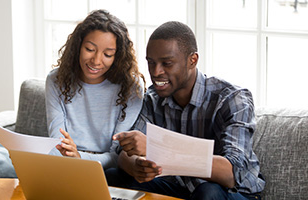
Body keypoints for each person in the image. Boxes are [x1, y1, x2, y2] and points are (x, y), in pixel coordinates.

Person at [106, 21, 265, 199]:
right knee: (113, 176)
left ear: (192, 60)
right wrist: (136, 165)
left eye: (167, 63)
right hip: (181, 190)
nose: (156, 72)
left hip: (231, 192)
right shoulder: (152, 98)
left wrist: (160, 149)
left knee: (208, 191)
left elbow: (232, 173)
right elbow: (123, 155)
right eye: (151, 63)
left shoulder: (232, 98)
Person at [45, 9, 145, 169]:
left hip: (106, 170)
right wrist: (71, 157)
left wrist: (79, 158)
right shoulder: (56, 80)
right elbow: (57, 143)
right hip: (63, 164)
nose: (96, 61)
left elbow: (116, 156)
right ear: (78, 46)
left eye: (107, 54)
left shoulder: (131, 87)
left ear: (117, 56)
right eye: (90, 50)